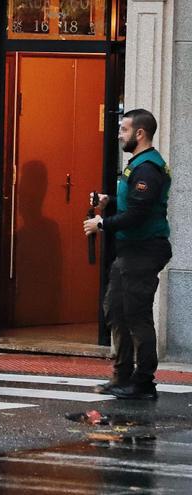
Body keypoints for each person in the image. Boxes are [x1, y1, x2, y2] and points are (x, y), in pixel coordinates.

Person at [83, 108, 172, 401]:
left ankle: (143, 381)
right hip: (130, 251)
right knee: (116, 310)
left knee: (136, 315)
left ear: (140, 133)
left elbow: (138, 213)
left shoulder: (148, 168)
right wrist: (109, 200)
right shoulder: (137, 165)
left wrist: (102, 223)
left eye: (123, 130)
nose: (119, 135)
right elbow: (132, 202)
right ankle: (121, 375)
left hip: (144, 250)